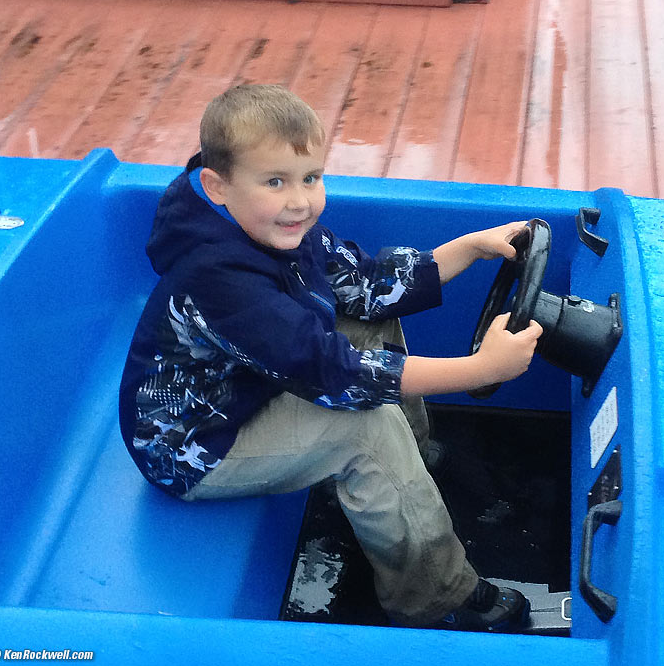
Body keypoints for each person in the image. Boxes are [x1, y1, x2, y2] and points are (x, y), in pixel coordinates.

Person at [118, 84, 544, 632]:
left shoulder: (272, 226)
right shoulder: (218, 277)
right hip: (195, 446)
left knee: (366, 319)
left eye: (310, 178)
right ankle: (437, 600)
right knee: (366, 429)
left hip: (251, 388)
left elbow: (367, 285)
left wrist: (471, 246)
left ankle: (407, 468)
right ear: (216, 186)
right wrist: (481, 371)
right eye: (276, 181)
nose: (299, 200)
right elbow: (335, 374)